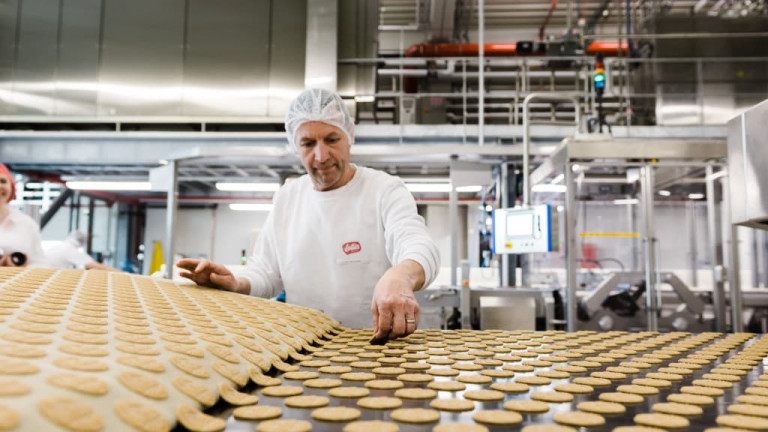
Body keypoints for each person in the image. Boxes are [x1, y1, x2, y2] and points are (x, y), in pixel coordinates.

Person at [177, 88, 440, 340]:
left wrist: (400, 275)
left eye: (331, 140)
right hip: (305, 349)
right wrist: (237, 284)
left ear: (349, 137)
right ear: (295, 146)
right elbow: (267, 272)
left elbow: (417, 245)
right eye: (308, 143)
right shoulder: (287, 198)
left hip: (377, 347)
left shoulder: (383, 189)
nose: (321, 155)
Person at [0, 163, 46, 267]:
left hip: (15, 282)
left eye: (3, 181)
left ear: (11, 187)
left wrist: (22, 267)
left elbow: (40, 262)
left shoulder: (26, 224)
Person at [45, 230, 122, 272]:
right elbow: (94, 265)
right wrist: (122, 273)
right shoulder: (70, 250)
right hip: (48, 276)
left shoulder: (60, 246)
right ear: (82, 242)